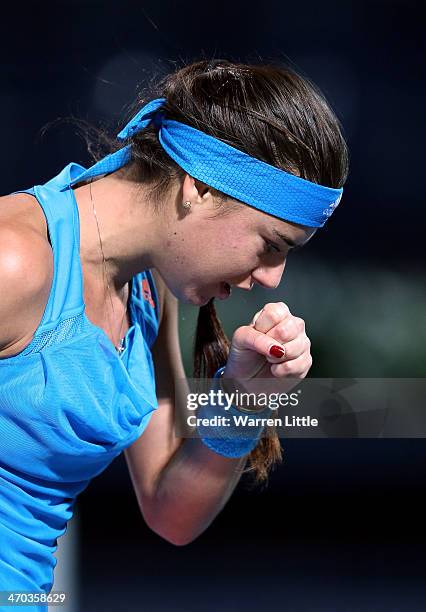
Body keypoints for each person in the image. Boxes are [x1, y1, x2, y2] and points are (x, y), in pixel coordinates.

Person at [0, 59, 348, 602]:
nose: (271, 279)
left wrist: (243, 402)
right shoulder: (13, 262)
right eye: (272, 244)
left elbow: (171, 513)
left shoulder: (147, 291)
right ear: (199, 188)